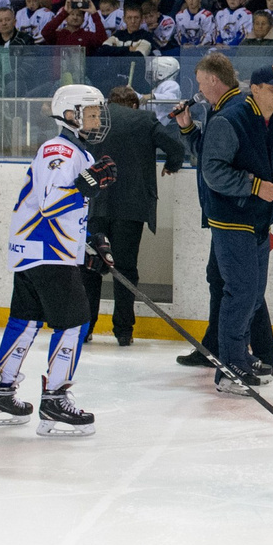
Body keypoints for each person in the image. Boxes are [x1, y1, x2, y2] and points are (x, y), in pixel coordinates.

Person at [0, 84, 116, 435]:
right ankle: (55, 399)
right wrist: (90, 184)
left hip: (37, 249)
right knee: (74, 321)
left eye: (98, 111)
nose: (97, 118)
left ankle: (1, 392)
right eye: (91, 111)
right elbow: (52, 204)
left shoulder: (73, 150)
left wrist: (87, 241)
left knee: (25, 320)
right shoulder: (60, 149)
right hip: (48, 252)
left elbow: (64, 207)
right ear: (70, 114)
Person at [197, 56, 273, 391]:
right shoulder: (230, 121)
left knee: (253, 295)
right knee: (239, 293)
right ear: (254, 89)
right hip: (231, 220)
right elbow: (213, 171)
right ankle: (229, 369)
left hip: (260, 221)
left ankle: (239, 354)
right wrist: (256, 186)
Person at [86, 82, 189, 347]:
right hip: (131, 208)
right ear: (134, 104)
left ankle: (84, 328)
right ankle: (123, 331)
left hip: (96, 204)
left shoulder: (94, 119)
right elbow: (176, 148)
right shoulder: (145, 119)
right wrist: (172, 165)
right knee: (125, 268)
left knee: (91, 267)